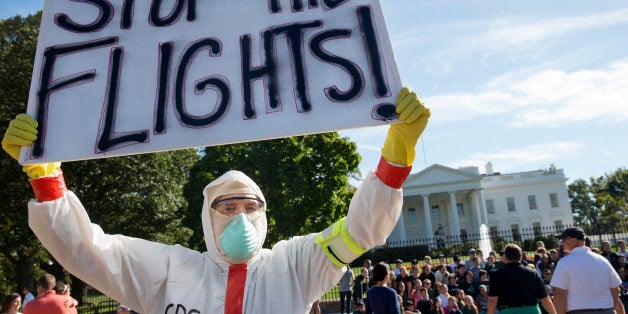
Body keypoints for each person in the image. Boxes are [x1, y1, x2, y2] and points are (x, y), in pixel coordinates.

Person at [2, 87, 429, 313]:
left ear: (265, 215)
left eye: (249, 206)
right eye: (226, 207)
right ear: (207, 218)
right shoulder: (169, 269)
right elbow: (88, 251)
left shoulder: (297, 263)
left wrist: (396, 157)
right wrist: (46, 176)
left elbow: (361, 229)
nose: (239, 215)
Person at [550, 227, 626, 314]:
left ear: (574, 240)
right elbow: (615, 289)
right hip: (607, 310)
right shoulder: (602, 260)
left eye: (563, 239)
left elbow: (559, 295)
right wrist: (610, 309)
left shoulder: (564, 262)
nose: (561, 243)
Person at [488, 244, 556, 314]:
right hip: (532, 310)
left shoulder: (496, 274)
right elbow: (545, 298)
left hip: (508, 311)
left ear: (505, 257)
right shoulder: (532, 273)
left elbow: (492, 300)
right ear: (520, 257)